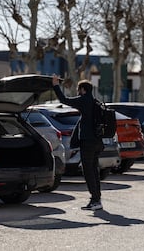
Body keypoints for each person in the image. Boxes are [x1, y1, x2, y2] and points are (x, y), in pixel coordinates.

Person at [52, 74, 104, 211]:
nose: (77, 92)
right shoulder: (95, 101)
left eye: (78, 89)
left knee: (88, 171)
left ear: (83, 90)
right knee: (94, 170)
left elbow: (63, 99)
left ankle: (95, 199)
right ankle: (97, 199)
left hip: (88, 141)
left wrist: (55, 85)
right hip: (97, 142)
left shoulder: (84, 100)